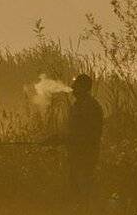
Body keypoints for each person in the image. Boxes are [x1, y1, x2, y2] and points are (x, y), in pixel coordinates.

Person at [45, 73, 104, 204]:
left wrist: (61, 140)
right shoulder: (79, 105)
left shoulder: (90, 107)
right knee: (75, 187)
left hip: (86, 155)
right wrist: (58, 139)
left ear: (84, 87)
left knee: (83, 187)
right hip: (76, 154)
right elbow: (74, 132)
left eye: (76, 85)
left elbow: (86, 135)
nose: (72, 87)